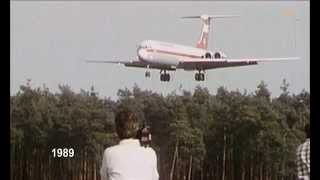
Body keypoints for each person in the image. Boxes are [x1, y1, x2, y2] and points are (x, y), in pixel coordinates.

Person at [100, 107, 159, 180]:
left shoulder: (109, 153)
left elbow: (104, 178)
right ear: (137, 129)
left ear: (117, 130)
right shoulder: (150, 153)